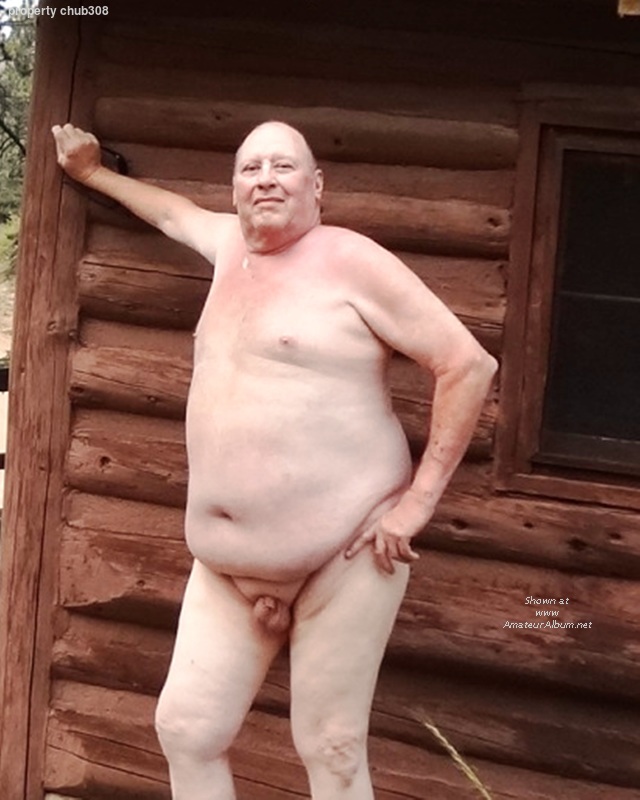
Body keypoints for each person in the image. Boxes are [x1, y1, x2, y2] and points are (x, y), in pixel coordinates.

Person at [52, 120, 497, 800]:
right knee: (187, 730)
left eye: (283, 166)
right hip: (226, 568)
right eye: (251, 167)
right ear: (234, 188)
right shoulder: (227, 245)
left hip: (345, 555)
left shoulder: (351, 260)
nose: (265, 179)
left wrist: (418, 503)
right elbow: (171, 213)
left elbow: (467, 364)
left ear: (317, 186)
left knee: (331, 746)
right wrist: (91, 174)